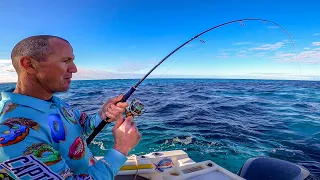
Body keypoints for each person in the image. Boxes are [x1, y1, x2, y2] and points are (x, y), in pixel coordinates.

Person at [0, 35, 142, 180]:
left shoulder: (53, 101)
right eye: (65, 60)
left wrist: (103, 113)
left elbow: (84, 125)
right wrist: (121, 148)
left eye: (72, 61)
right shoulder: (10, 133)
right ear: (29, 65)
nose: (74, 69)